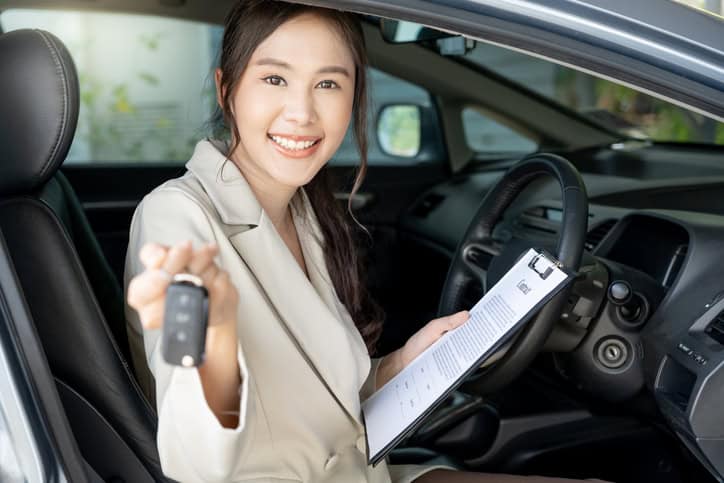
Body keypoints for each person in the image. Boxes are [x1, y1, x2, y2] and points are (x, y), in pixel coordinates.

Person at [124, 1, 610, 482]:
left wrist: (400, 363)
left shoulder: (301, 208)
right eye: (274, 79)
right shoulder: (177, 217)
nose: (301, 112)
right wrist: (217, 344)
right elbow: (196, 464)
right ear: (227, 89)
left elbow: (324, 399)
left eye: (328, 84)